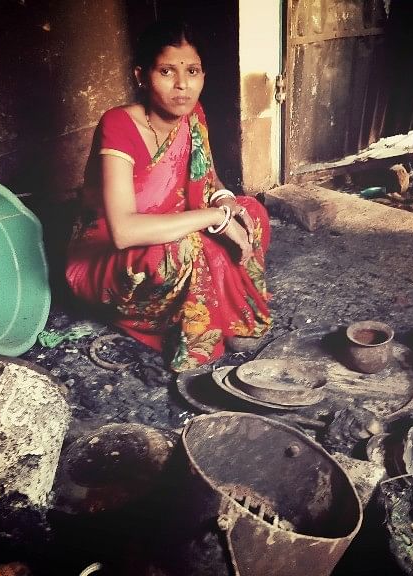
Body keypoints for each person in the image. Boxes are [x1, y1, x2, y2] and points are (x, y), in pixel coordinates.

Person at [65, 18, 272, 372]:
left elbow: (207, 178)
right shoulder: (118, 125)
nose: (182, 85)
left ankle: (225, 313)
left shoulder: (193, 117)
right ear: (141, 76)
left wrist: (224, 202)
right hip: (112, 257)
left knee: (249, 211)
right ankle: (189, 328)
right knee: (182, 248)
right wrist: (213, 218)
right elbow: (123, 232)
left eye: (193, 71)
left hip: (171, 225)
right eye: (166, 71)